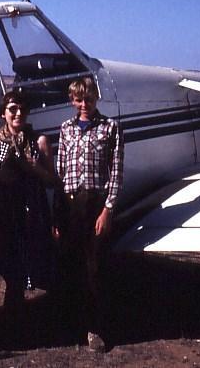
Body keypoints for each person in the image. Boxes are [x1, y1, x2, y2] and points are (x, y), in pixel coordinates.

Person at [55, 76, 123, 353]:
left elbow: (116, 172)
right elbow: (60, 172)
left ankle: (95, 329)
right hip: (71, 206)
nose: (84, 104)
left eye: (89, 99)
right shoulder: (66, 129)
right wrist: (56, 216)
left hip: (95, 206)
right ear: (72, 100)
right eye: (78, 99)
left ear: (96, 98)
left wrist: (107, 210)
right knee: (71, 267)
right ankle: (73, 325)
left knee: (95, 269)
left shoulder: (110, 128)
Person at [0, 91, 58, 324]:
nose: (18, 114)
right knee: (9, 261)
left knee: (35, 257)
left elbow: (52, 181)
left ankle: (34, 311)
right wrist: (4, 175)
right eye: (12, 109)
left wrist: (34, 167)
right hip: (6, 210)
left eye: (22, 109)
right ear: (4, 113)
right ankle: (13, 309)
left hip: (32, 209)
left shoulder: (39, 141)